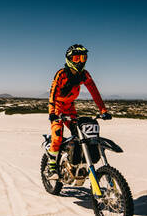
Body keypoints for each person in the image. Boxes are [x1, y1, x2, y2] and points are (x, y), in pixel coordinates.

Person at [46, 44, 112, 180]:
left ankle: (77, 161)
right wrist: (52, 113)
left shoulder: (84, 75)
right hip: (58, 107)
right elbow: (52, 94)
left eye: (83, 58)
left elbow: (94, 92)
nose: (80, 61)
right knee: (57, 136)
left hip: (70, 107)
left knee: (80, 134)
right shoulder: (62, 74)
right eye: (77, 58)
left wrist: (103, 110)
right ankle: (52, 166)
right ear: (69, 59)